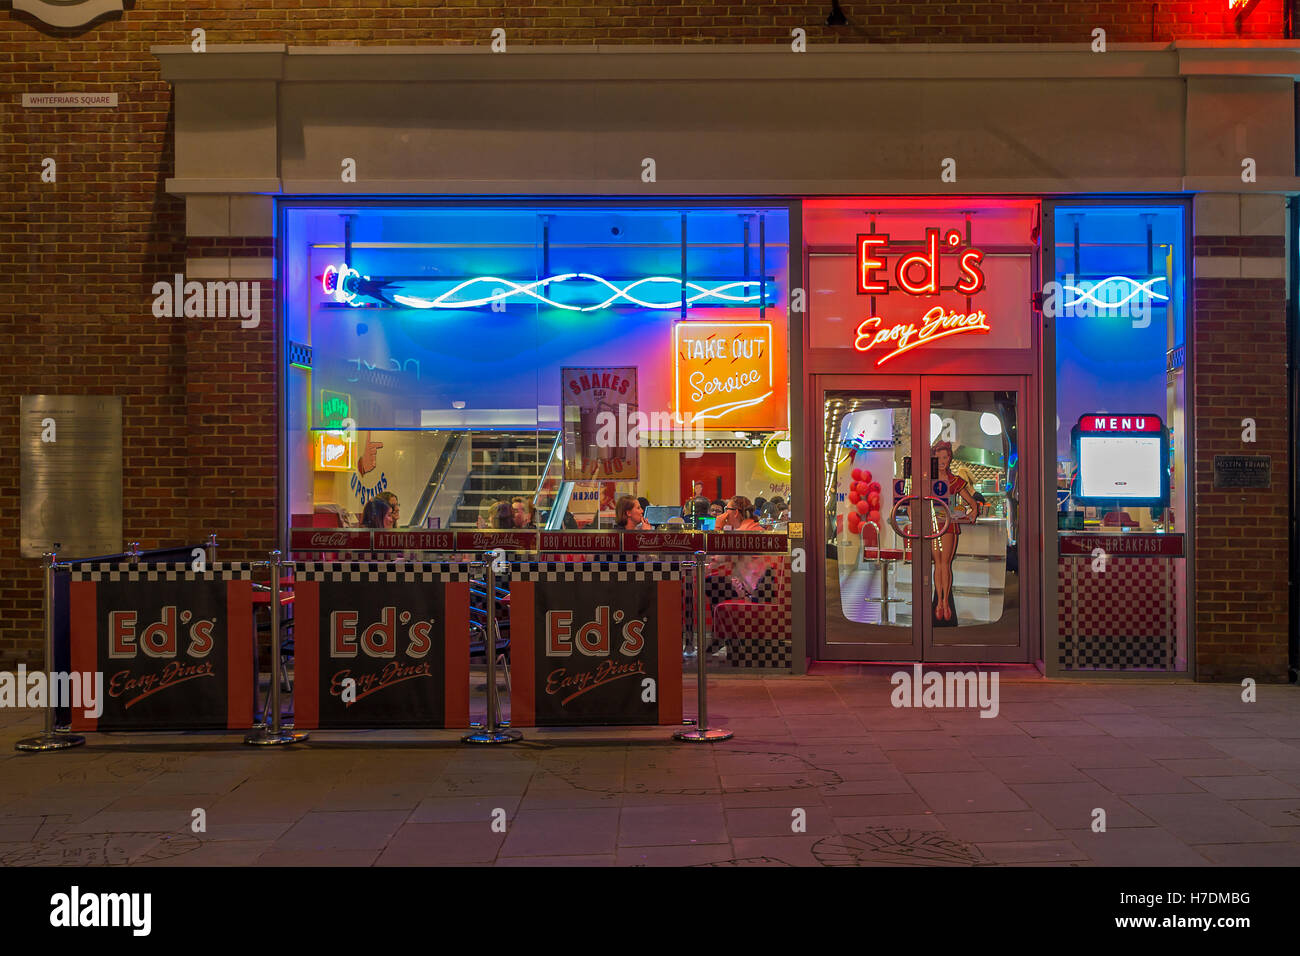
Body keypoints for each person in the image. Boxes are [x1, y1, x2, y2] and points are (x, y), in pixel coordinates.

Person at [930, 440, 981, 624]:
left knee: (944, 564)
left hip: (948, 526)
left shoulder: (955, 481)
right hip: (934, 525)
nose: (943, 461)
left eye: (946, 457)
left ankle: (944, 602)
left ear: (950, 458)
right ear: (934, 459)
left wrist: (972, 512)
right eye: (939, 457)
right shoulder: (929, 480)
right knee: (938, 563)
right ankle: (939, 604)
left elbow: (972, 502)